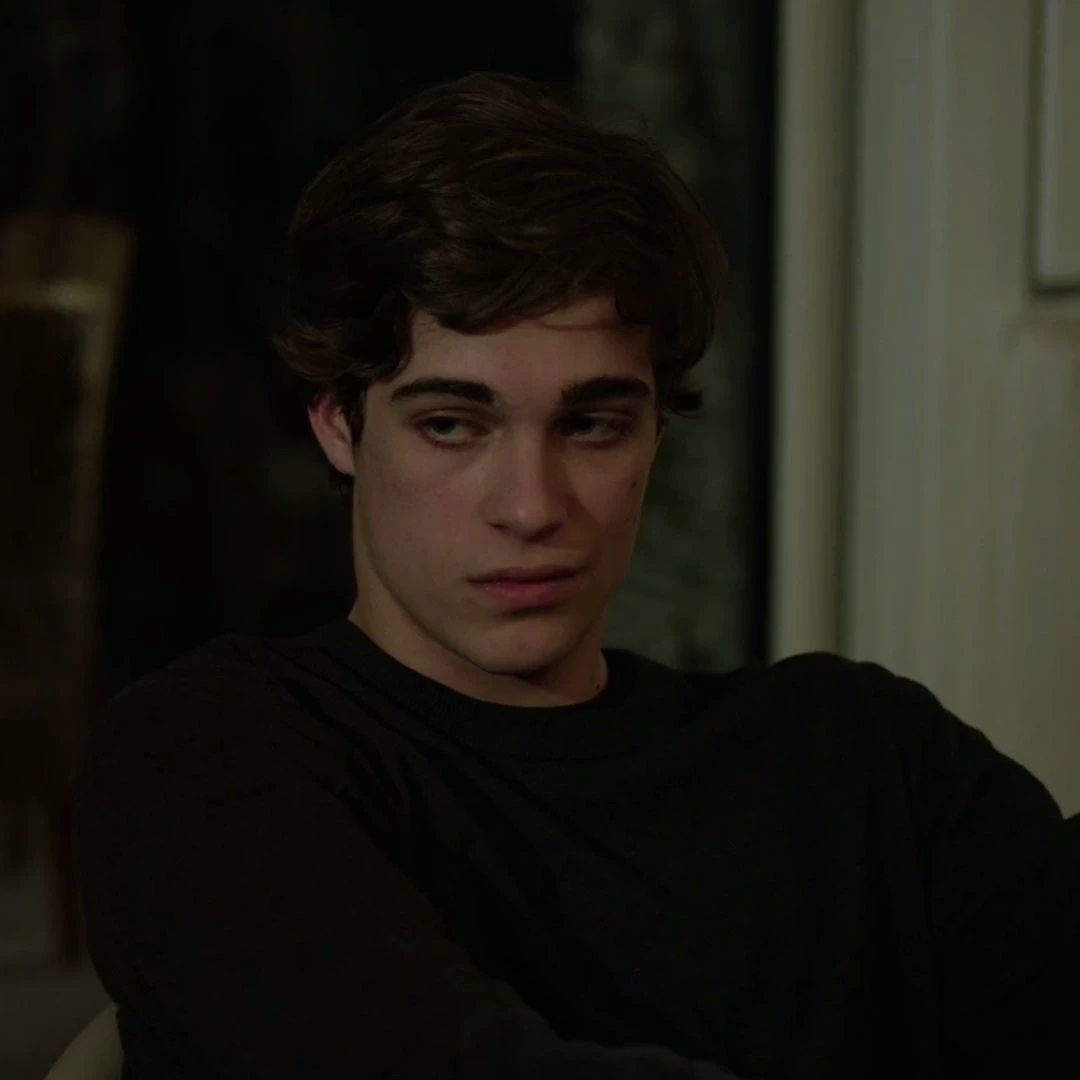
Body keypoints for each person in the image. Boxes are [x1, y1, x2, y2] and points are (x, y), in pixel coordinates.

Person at [73, 71, 1079, 1080]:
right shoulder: (212, 750)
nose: (531, 506)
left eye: (592, 424)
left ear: (656, 432)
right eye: (452, 425)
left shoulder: (861, 757)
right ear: (339, 425)